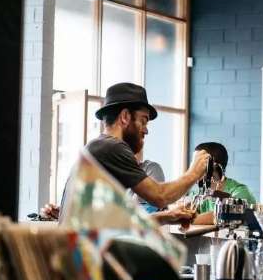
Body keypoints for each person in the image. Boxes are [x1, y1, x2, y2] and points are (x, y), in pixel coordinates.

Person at [44, 83, 210, 225]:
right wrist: (194, 172)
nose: (146, 130)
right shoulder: (112, 147)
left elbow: (117, 224)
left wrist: (167, 217)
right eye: (143, 121)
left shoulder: (98, 148)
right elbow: (160, 196)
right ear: (124, 117)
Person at [189, 142, 256, 225]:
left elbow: (220, 216)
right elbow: (186, 213)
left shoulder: (240, 191)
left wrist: (185, 220)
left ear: (213, 166)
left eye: (196, 163)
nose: (192, 167)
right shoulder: (198, 194)